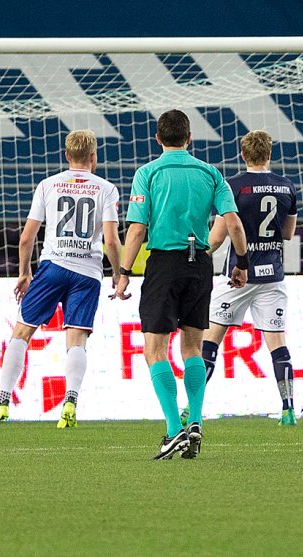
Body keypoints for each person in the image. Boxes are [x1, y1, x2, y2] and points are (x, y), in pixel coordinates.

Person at [113, 109, 249, 460]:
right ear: (189, 138)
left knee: (155, 349)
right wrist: (241, 263)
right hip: (200, 263)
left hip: (165, 263)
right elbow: (233, 223)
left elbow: (138, 228)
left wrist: (125, 270)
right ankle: (197, 420)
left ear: (158, 138)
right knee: (192, 347)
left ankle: (174, 429)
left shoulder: (149, 173)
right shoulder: (210, 173)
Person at [0, 129, 122, 430]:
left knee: (21, 333)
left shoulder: (48, 185)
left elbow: (26, 237)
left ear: (67, 156)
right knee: (77, 338)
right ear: (94, 157)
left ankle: (2, 402)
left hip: (52, 266)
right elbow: (111, 239)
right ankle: (70, 401)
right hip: (88, 272)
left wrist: (24, 273)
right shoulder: (107, 189)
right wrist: (119, 274)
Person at [200, 130, 299, 425]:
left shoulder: (232, 187)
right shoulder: (286, 187)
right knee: (278, 344)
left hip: (238, 276)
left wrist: (196, 252)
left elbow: (217, 238)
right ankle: (289, 409)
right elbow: (288, 233)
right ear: (269, 154)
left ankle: (192, 409)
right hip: (273, 276)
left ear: (243, 155)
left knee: (210, 341)